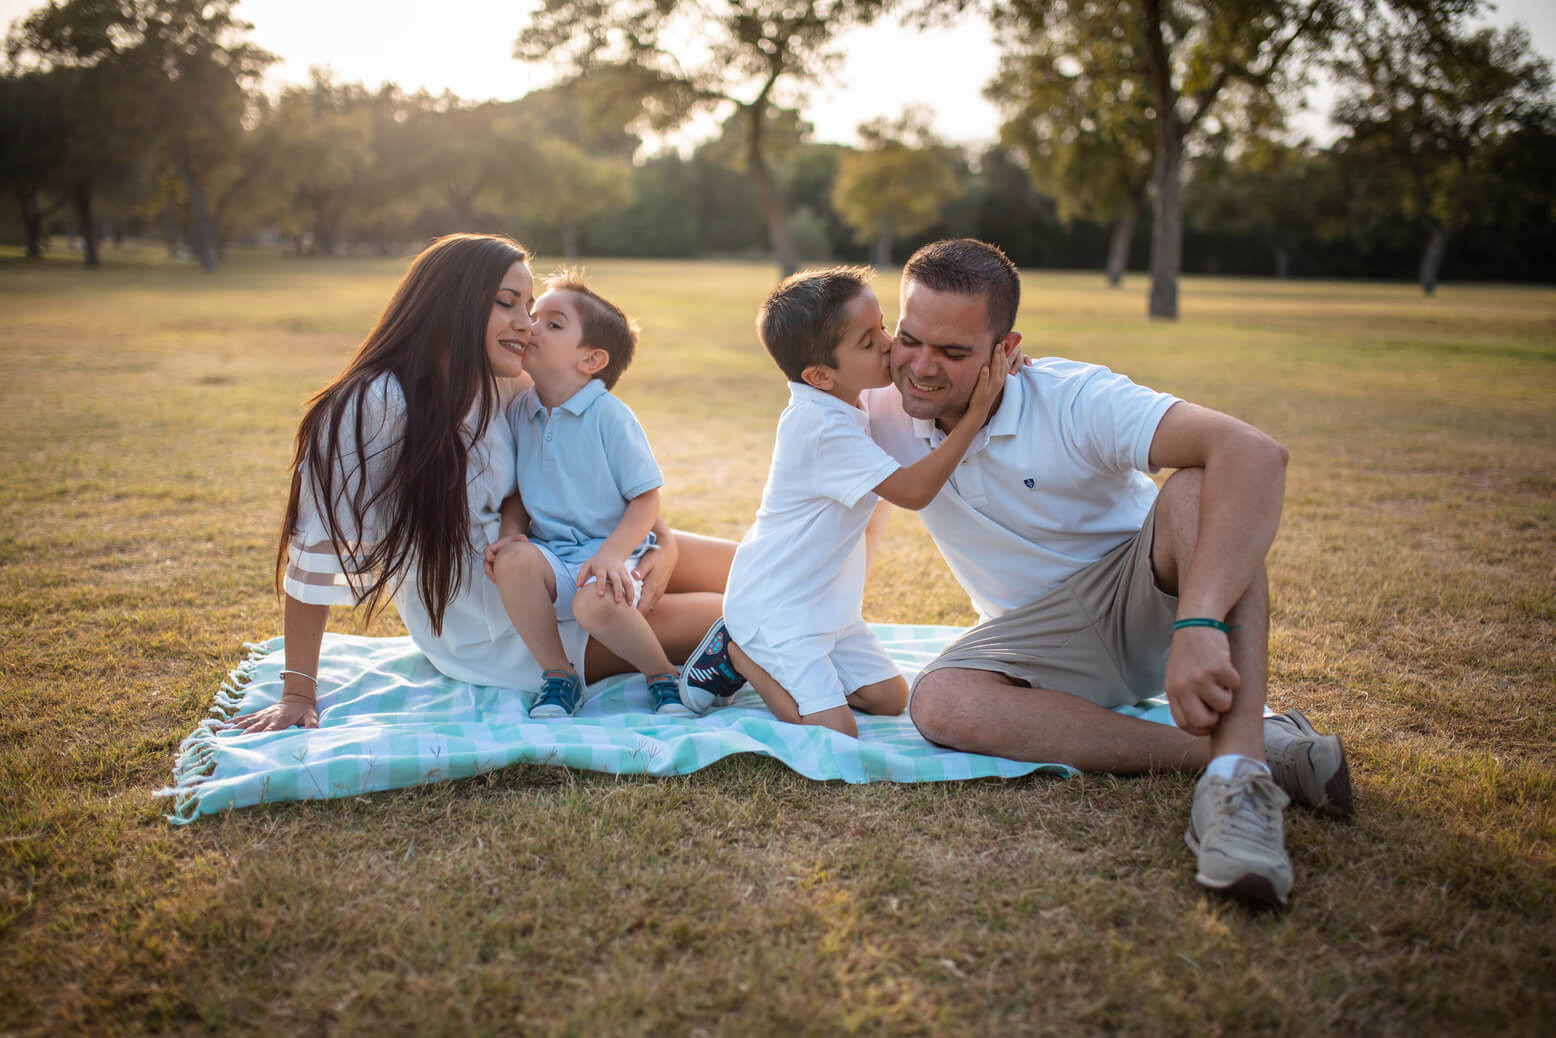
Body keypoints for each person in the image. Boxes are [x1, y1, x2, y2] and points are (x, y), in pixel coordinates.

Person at [866, 238, 1349, 907]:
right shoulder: (874, 409)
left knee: (1199, 489)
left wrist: (1200, 620)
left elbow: (1256, 452)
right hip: (1038, 643)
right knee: (939, 700)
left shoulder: (1071, 397)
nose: (921, 368)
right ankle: (1259, 752)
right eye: (910, 340)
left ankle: (1238, 785)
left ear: (1006, 351)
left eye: (953, 353)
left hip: (1149, 599)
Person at [232, 233, 731, 735]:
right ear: (452, 303)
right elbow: (316, 554)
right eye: (506, 303)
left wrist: (663, 546)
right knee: (734, 613)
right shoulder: (371, 407)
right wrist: (298, 690)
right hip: (503, 625)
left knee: (757, 567)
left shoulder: (512, 382)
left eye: (532, 307)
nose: (526, 323)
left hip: (569, 554)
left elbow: (607, 477)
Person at [677, 266, 999, 736]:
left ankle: (786, 664)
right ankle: (742, 655)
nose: (890, 344)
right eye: (869, 342)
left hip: (828, 607)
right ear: (820, 376)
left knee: (891, 700)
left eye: (884, 325)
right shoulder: (821, 427)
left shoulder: (848, 400)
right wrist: (975, 416)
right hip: (778, 609)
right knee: (836, 732)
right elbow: (912, 492)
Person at [481, 271, 692, 718]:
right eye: (535, 317)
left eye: (553, 325)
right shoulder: (522, 409)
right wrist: (512, 533)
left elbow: (646, 499)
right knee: (512, 560)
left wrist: (613, 555)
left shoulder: (609, 417)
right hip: (555, 555)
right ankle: (558, 677)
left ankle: (661, 675)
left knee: (594, 603)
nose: (531, 327)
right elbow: (517, 493)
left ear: (592, 360)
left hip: (614, 553)